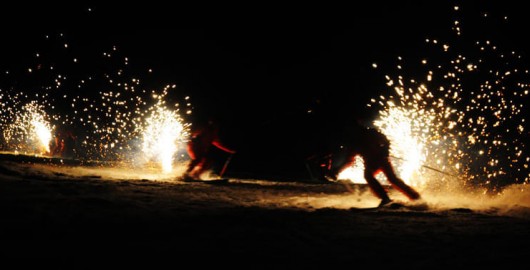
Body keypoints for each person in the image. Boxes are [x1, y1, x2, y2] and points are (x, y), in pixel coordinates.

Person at [307, 124, 421, 207]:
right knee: (369, 176)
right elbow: (349, 161)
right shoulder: (354, 143)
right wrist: (338, 171)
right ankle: (386, 198)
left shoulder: (369, 133)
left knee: (392, 179)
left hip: (381, 160)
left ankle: (414, 197)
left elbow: (386, 141)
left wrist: (385, 150)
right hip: (371, 163)